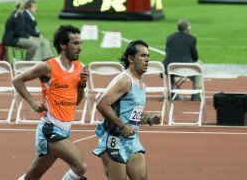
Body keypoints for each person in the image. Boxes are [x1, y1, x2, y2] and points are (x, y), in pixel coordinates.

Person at [13, 25, 89, 180]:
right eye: (75, 43)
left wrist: (82, 84)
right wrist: (32, 102)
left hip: (65, 129)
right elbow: (17, 80)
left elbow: (76, 102)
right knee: (80, 166)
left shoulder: (79, 67)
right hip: (50, 129)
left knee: (32, 176)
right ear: (63, 45)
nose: (80, 48)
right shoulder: (47, 66)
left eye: (81, 43)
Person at [93, 40, 162, 180]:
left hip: (131, 140)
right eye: (143, 56)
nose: (147, 59)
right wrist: (122, 126)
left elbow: (133, 116)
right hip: (114, 139)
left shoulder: (141, 85)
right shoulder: (124, 80)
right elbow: (102, 105)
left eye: (148, 56)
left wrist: (149, 119)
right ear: (131, 58)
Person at [162, 19, 202, 101]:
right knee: (199, 64)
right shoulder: (192, 39)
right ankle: (195, 93)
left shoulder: (169, 37)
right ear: (187, 28)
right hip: (186, 68)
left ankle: (171, 91)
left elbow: (167, 52)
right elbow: (195, 57)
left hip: (170, 68)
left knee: (168, 63)